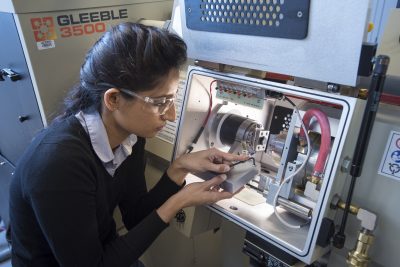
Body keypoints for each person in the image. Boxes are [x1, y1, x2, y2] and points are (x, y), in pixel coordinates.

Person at [9, 23, 246, 267]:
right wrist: (178, 201)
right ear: (113, 99)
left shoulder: (129, 137)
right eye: (161, 102)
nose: (171, 115)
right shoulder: (59, 164)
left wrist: (178, 169)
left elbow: (135, 216)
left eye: (172, 100)